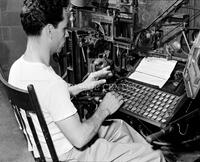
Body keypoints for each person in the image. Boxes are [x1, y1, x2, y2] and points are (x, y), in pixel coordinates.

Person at [8, 0, 166, 161]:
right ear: (49, 30)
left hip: (53, 146)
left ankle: (133, 154)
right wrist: (104, 109)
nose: (67, 34)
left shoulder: (17, 68)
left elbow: (44, 98)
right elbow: (80, 138)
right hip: (71, 155)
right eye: (64, 29)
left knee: (119, 128)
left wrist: (81, 87)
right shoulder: (51, 82)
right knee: (156, 156)